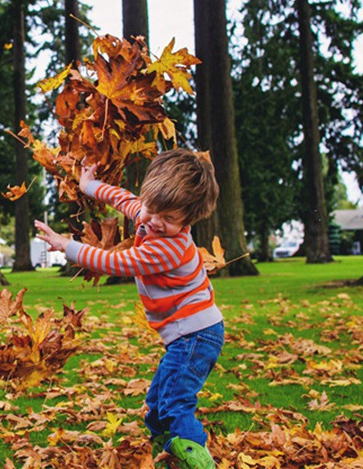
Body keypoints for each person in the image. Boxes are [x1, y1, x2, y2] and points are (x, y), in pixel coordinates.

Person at [34, 149, 223, 469]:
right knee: (156, 407)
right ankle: (169, 459)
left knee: (175, 405)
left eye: (169, 219)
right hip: (186, 336)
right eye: (151, 209)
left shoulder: (168, 247)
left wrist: (67, 246)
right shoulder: (150, 213)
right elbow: (121, 198)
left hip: (196, 335)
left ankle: (199, 463)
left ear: (187, 221)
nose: (153, 221)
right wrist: (88, 184)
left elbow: (115, 262)